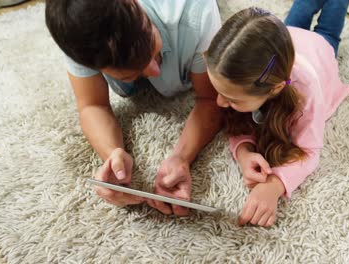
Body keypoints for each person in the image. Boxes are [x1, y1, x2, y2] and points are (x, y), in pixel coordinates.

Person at [45, 0, 222, 216]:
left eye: (152, 44)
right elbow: (92, 105)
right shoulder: (76, 28)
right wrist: (112, 153)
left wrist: (181, 157)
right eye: (131, 74)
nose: (155, 70)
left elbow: (211, 99)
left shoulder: (196, 12)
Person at [204, 2, 349, 227]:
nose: (218, 102)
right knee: (298, 14)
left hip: (319, 49)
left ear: (274, 89)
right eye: (219, 92)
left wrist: (274, 185)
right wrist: (244, 153)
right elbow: (239, 127)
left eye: (231, 99)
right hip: (288, 37)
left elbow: (310, 151)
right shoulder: (261, 67)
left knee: (328, 30)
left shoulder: (306, 92)